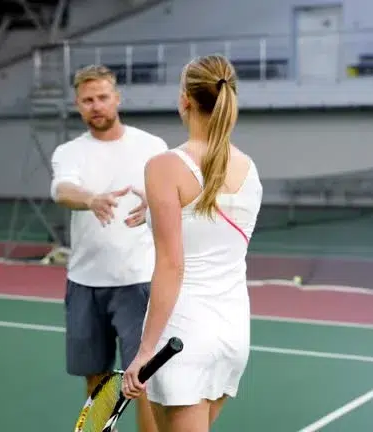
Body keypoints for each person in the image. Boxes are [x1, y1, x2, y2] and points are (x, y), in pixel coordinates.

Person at [121, 54, 263, 431]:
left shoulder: (163, 166)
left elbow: (172, 265)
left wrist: (145, 351)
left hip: (181, 339)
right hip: (233, 334)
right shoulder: (249, 169)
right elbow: (210, 219)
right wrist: (156, 204)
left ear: (185, 99)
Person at [50, 64, 167, 432]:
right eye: (87, 100)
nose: (96, 105)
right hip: (85, 283)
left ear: (117, 98)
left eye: (102, 97)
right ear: (78, 105)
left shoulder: (152, 147)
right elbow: (62, 190)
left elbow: (171, 197)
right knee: (97, 380)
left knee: (143, 382)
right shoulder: (68, 152)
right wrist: (92, 199)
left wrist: (156, 205)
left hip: (138, 282)